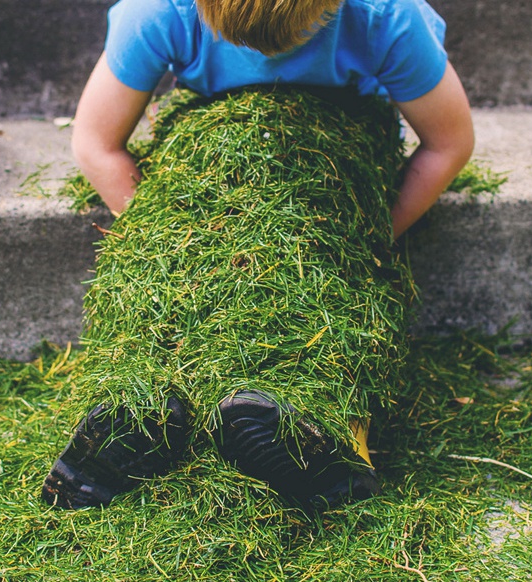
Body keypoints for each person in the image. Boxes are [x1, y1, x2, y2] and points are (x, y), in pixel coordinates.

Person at [42, 0, 474, 511]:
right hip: (207, 172)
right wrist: (168, 235)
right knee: (163, 303)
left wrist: (365, 237)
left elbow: (449, 142)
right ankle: (132, 415)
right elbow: (95, 141)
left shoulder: (384, 16)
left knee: (333, 309)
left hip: (332, 179)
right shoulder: (160, 11)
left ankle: (323, 435)